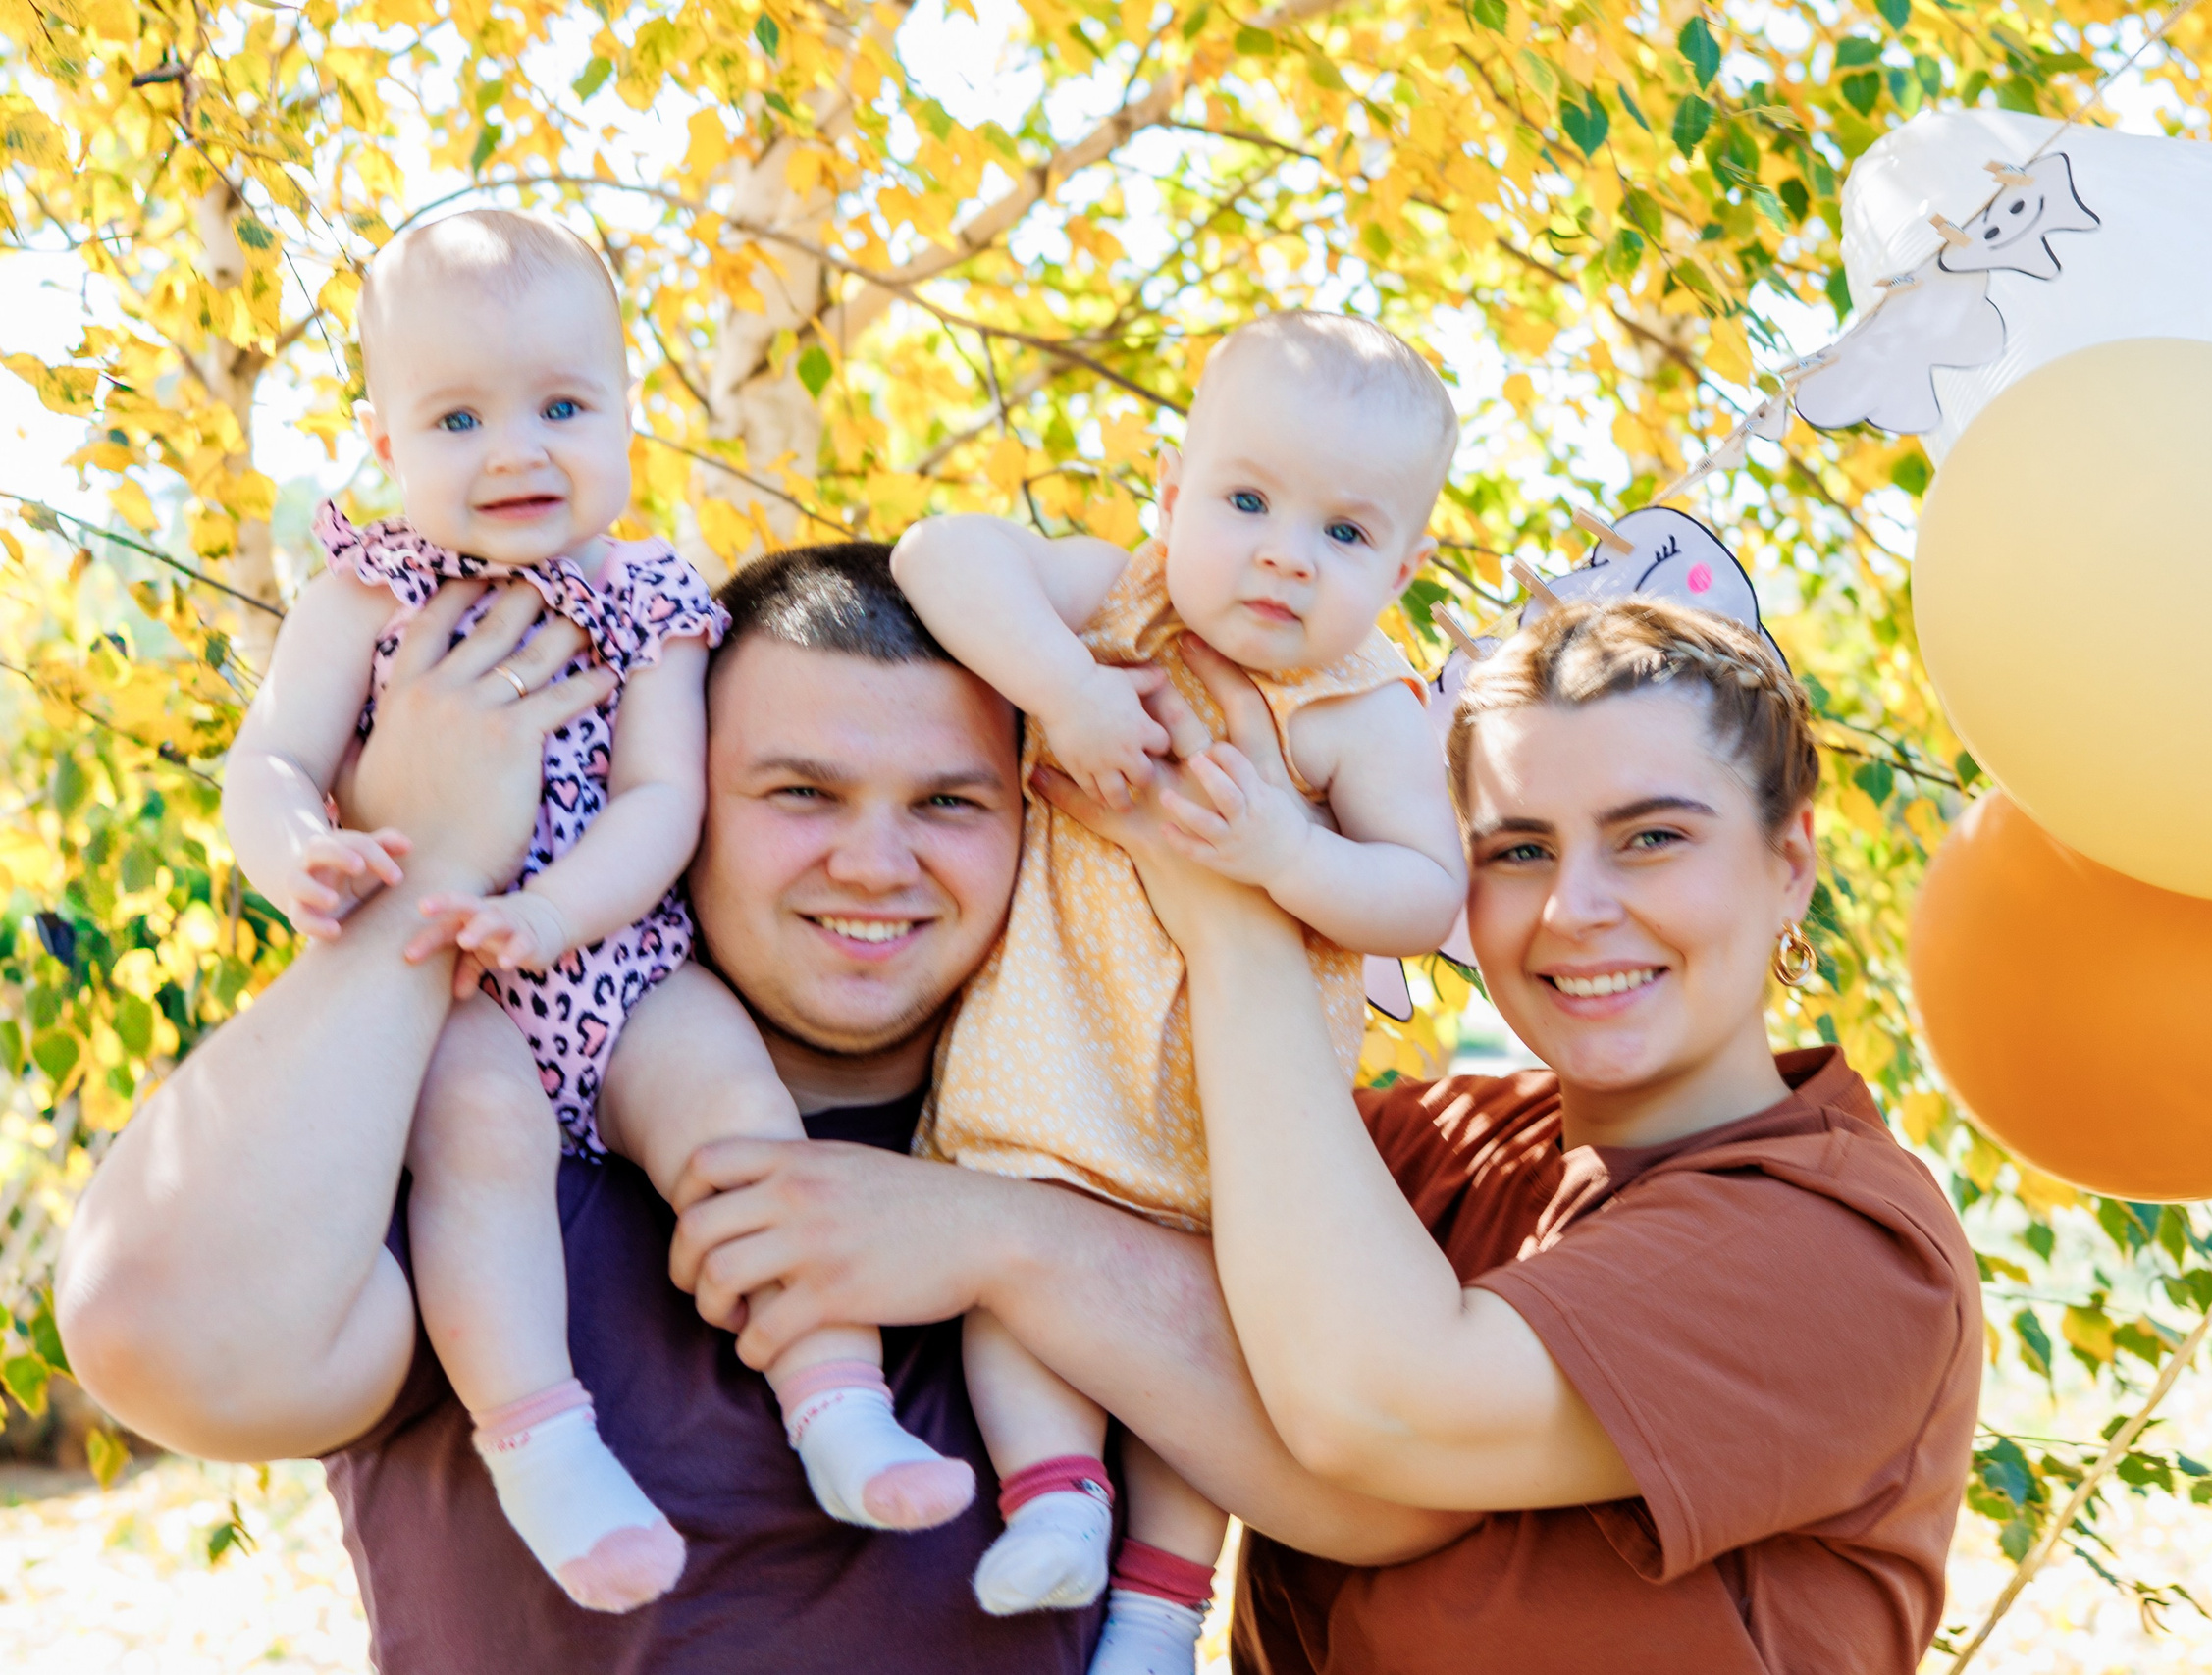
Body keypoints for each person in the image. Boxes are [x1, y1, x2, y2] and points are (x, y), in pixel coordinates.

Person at [58, 543, 1464, 1673]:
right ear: (673, 803)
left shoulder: (1145, 1169)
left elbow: (1392, 1492)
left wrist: (997, 1239)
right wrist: (430, 874)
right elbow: (162, 1334)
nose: (875, 860)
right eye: (800, 791)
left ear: (1039, 818)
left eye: (950, 803)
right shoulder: (484, 1143)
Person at [673, 601, 1986, 1670]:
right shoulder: (1431, 1147)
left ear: (1790, 865)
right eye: (1517, 851)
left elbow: (1379, 1414)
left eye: (1652, 840)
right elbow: (1112, 1164)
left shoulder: (1847, 1247)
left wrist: (1227, 915)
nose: (1576, 909)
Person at [220, 210, 967, 1618]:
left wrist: (561, 913)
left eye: (563, 405)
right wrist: (295, 848)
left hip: (619, 955)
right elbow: (263, 757)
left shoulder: (654, 601)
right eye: (458, 417)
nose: (517, 450)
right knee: (481, 1148)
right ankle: (547, 1448)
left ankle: (841, 1404)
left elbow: (661, 802)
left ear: (628, 414)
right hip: (447, 984)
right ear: (383, 445)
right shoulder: (362, 593)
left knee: (739, 1126)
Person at [887, 313, 1466, 1666]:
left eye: (1344, 533)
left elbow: (1424, 895)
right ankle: (1057, 1504)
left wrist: (1291, 852)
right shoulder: (1120, 600)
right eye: (1248, 501)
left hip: (1236, 1114)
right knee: (1019, 1273)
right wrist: (1062, 686)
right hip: (1059, 1052)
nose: (1282, 552)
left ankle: (1159, 1612)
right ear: (1172, 495)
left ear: (1405, 564)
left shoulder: (1359, 710)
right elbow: (937, 553)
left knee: (1211, 1356)